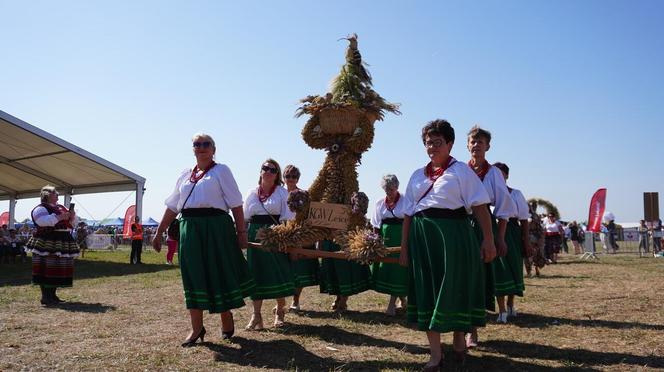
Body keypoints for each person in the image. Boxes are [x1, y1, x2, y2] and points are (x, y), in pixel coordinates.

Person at [399, 119, 496, 370]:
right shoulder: (417, 175)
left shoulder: (461, 171)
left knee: (454, 287)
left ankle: (458, 342)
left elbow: (479, 206)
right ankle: (435, 355)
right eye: (428, 143)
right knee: (428, 290)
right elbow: (409, 213)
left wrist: (488, 239)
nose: (432, 147)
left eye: (437, 142)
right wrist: (405, 248)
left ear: (450, 144)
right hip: (422, 239)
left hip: (453, 237)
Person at [152, 133, 255, 347]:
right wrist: (159, 230)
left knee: (217, 270)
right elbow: (173, 205)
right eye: (197, 144)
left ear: (213, 148)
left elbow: (236, 204)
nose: (201, 147)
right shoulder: (185, 175)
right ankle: (196, 328)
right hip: (189, 227)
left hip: (217, 227)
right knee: (192, 274)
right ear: (193, 149)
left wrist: (241, 233)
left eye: (206, 144)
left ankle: (225, 316)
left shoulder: (221, 171)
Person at [466, 126, 517, 342]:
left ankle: (474, 326)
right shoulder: (460, 170)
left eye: (481, 142)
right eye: (473, 141)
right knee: (463, 275)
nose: (476, 145)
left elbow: (504, 208)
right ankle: (468, 330)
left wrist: (499, 237)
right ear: (467, 145)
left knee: (480, 277)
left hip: (484, 226)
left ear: (488, 146)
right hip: (461, 224)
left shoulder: (494, 173)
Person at [244, 159, 295, 330]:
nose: (268, 171)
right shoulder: (252, 193)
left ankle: (280, 312)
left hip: (275, 235)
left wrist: (284, 238)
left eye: (272, 170)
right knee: (256, 274)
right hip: (254, 236)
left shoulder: (282, 192)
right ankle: (256, 316)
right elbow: (244, 217)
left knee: (276, 273)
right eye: (265, 168)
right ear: (260, 171)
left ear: (277, 175)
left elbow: (288, 218)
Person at [24, 185, 79, 305]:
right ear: (47, 195)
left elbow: (73, 223)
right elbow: (42, 222)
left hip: (62, 240)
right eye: (55, 193)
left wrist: (72, 216)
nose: (57, 194)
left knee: (57, 269)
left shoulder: (60, 207)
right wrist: (60, 217)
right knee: (46, 268)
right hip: (47, 240)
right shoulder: (40, 208)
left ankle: (53, 296)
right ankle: (45, 297)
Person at [492, 162, 530, 322]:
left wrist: (526, 241)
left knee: (513, 267)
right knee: (498, 270)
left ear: (506, 176)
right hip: (492, 232)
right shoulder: (487, 195)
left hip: (512, 233)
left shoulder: (515, 194)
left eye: (501, 174)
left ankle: (510, 303)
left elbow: (524, 220)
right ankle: (501, 310)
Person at [370, 174, 408, 316]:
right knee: (389, 269)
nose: (389, 193)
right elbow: (376, 225)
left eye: (391, 190)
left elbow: (410, 220)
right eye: (387, 191)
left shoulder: (405, 200)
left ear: (397, 187)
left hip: (401, 237)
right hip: (387, 239)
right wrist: (376, 242)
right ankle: (403, 300)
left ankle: (391, 305)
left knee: (399, 269)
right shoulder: (380, 203)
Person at [283, 165, 319, 311]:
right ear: (283, 178)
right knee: (285, 269)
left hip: (300, 234)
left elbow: (311, 215)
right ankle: (281, 302)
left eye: (294, 176)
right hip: (284, 233)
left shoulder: (304, 195)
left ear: (298, 178)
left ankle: (295, 300)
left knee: (300, 270)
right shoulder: (278, 193)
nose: (291, 179)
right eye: (288, 176)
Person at [526, 201, 546, 277]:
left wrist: (541, 238)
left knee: (534, 254)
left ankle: (534, 270)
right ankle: (530, 271)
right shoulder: (525, 215)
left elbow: (539, 227)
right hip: (529, 237)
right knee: (530, 255)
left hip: (533, 237)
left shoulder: (534, 216)